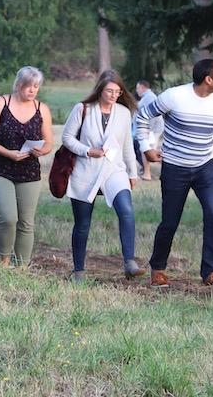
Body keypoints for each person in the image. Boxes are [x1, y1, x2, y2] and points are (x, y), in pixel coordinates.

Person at [137, 59, 213, 287]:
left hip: (205, 168)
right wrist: (146, 148)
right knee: (170, 221)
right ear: (208, 79)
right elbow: (143, 117)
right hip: (175, 167)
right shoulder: (174, 96)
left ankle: (211, 272)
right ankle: (158, 268)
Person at [62, 70, 143, 282]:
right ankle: (78, 270)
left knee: (126, 210)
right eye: (109, 91)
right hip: (85, 170)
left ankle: (129, 262)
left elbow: (126, 145)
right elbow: (67, 138)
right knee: (82, 224)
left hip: (113, 170)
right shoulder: (83, 109)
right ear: (100, 89)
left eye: (117, 91)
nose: (113, 95)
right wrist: (88, 150)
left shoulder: (124, 113)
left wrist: (132, 173)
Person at [0, 66, 54, 267]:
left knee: (26, 222)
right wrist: (8, 153)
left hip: (29, 170)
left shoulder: (42, 109)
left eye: (36, 86)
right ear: (19, 85)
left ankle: (21, 266)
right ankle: (4, 260)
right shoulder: (0, 103)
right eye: (28, 86)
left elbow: (48, 143)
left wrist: (42, 151)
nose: (32, 90)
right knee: (9, 217)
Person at [134, 80, 164, 180]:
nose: (137, 90)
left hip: (152, 129)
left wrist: (148, 128)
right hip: (150, 128)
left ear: (143, 88)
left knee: (149, 151)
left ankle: (148, 174)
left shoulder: (149, 97)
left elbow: (153, 114)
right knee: (146, 150)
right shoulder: (146, 97)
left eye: (137, 88)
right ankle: (147, 173)